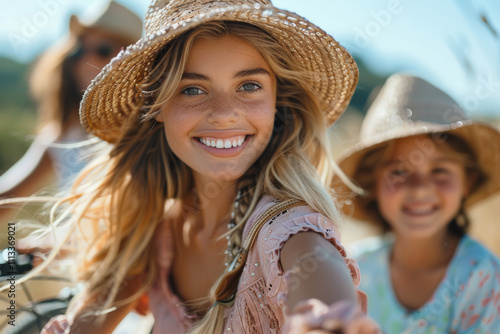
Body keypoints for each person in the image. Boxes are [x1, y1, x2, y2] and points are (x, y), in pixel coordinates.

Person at [5, 0, 386, 333]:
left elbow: (323, 293)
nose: (223, 114)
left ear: (277, 102)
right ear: (156, 106)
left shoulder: (291, 235)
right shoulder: (153, 233)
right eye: (192, 89)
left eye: (249, 86)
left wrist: (327, 322)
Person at [334, 73, 500, 333]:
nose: (420, 189)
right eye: (399, 172)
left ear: (467, 181)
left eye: (440, 171)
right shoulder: (355, 269)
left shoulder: (482, 276)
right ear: (372, 186)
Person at [0, 0, 142, 209]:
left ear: (133, 59)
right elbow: (7, 198)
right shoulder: (62, 135)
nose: (85, 59)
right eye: (78, 50)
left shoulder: (151, 130)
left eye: (102, 49)